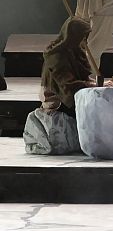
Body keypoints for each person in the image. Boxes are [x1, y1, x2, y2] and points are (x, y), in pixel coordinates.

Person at [23, 16, 96, 155]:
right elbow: (66, 84)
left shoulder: (75, 51)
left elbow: (83, 75)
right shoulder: (56, 56)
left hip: (72, 93)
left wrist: (93, 83)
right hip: (59, 98)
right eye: (82, 36)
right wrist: (90, 85)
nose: (84, 40)